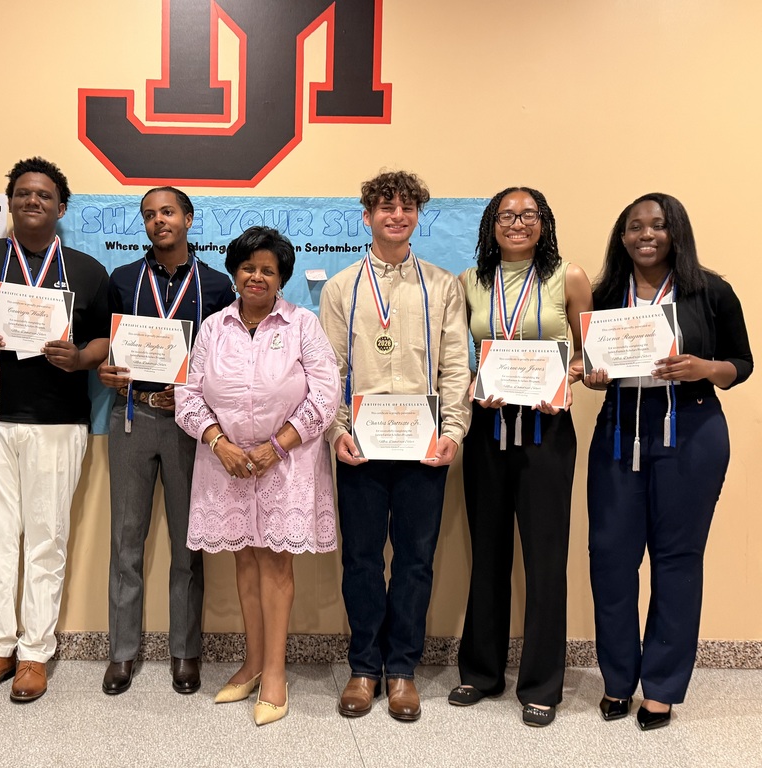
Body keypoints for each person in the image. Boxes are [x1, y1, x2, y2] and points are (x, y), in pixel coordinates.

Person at [584, 193, 752, 730]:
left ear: (676, 232)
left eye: (658, 225)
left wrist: (704, 367)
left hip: (692, 431)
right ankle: (617, 681)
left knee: (677, 561)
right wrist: (590, 374)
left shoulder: (710, 290)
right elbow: (589, 361)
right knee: (610, 558)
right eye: (635, 226)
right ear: (623, 236)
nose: (646, 235)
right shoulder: (605, 293)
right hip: (619, 431)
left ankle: (660, 688)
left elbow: (741, 364)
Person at [0, 157, 111, 703]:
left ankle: (35, 653)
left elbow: (106, 342)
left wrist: (80, 356)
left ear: (60, 207)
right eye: (22, 193)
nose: (32, 201)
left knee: (47, 538)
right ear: (10, 201)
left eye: (43, 195)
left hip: (58, 424)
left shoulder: (87, 270)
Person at [319, 170, 471, 721]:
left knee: (414, 561)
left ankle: (402, 669)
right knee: (360, 560)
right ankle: (364, 668)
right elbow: (329, 370)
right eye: (386, 207)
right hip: (359, 448)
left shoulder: (442, 286)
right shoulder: (340, 288)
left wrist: (453, 431)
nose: (396, 216)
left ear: (417, 217)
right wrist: (336, 431)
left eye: (407, 208)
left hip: (423, 449)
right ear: (367, 216)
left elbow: (456, 366)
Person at [175, 226, 340, 725]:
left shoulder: (302, 326)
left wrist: (279, 445)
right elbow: (188, 393)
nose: (257, 277)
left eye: (268, 270)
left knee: (275, 566)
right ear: (235, 272)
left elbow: (326, 394)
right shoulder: (212, 327)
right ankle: (250, 661)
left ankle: (274, 672)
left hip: (284, 465)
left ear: (281, 277)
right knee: (243, 562)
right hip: (225, 464)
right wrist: (217, 441)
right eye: (249, 267)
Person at [449, 188, 592, 727]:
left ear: (543, 222)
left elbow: (586, 352)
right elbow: (457, 352)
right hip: (487, 427)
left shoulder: (568, 277)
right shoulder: (471, 281)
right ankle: (481, 672)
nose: (517, 223)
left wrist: (567, 376)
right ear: (491, 225)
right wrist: (470, 387)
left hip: (546, 431)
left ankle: (541, 683)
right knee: (486, 551)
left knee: (545, 557)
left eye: (528, 215)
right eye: (506, 215)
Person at [97, 187, 232, 696]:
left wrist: (199, 395)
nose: (159, 221)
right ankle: (122, 654)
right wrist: (108, 372)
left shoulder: (217, 285)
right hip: (131, 417)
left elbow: (226, 361)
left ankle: (185, 651)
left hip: (190, 425)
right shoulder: (123, 280)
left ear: (189, 219)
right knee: (125, 541)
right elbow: (107, 348)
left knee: (186, 545)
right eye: (150, 215)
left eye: (168, 212)